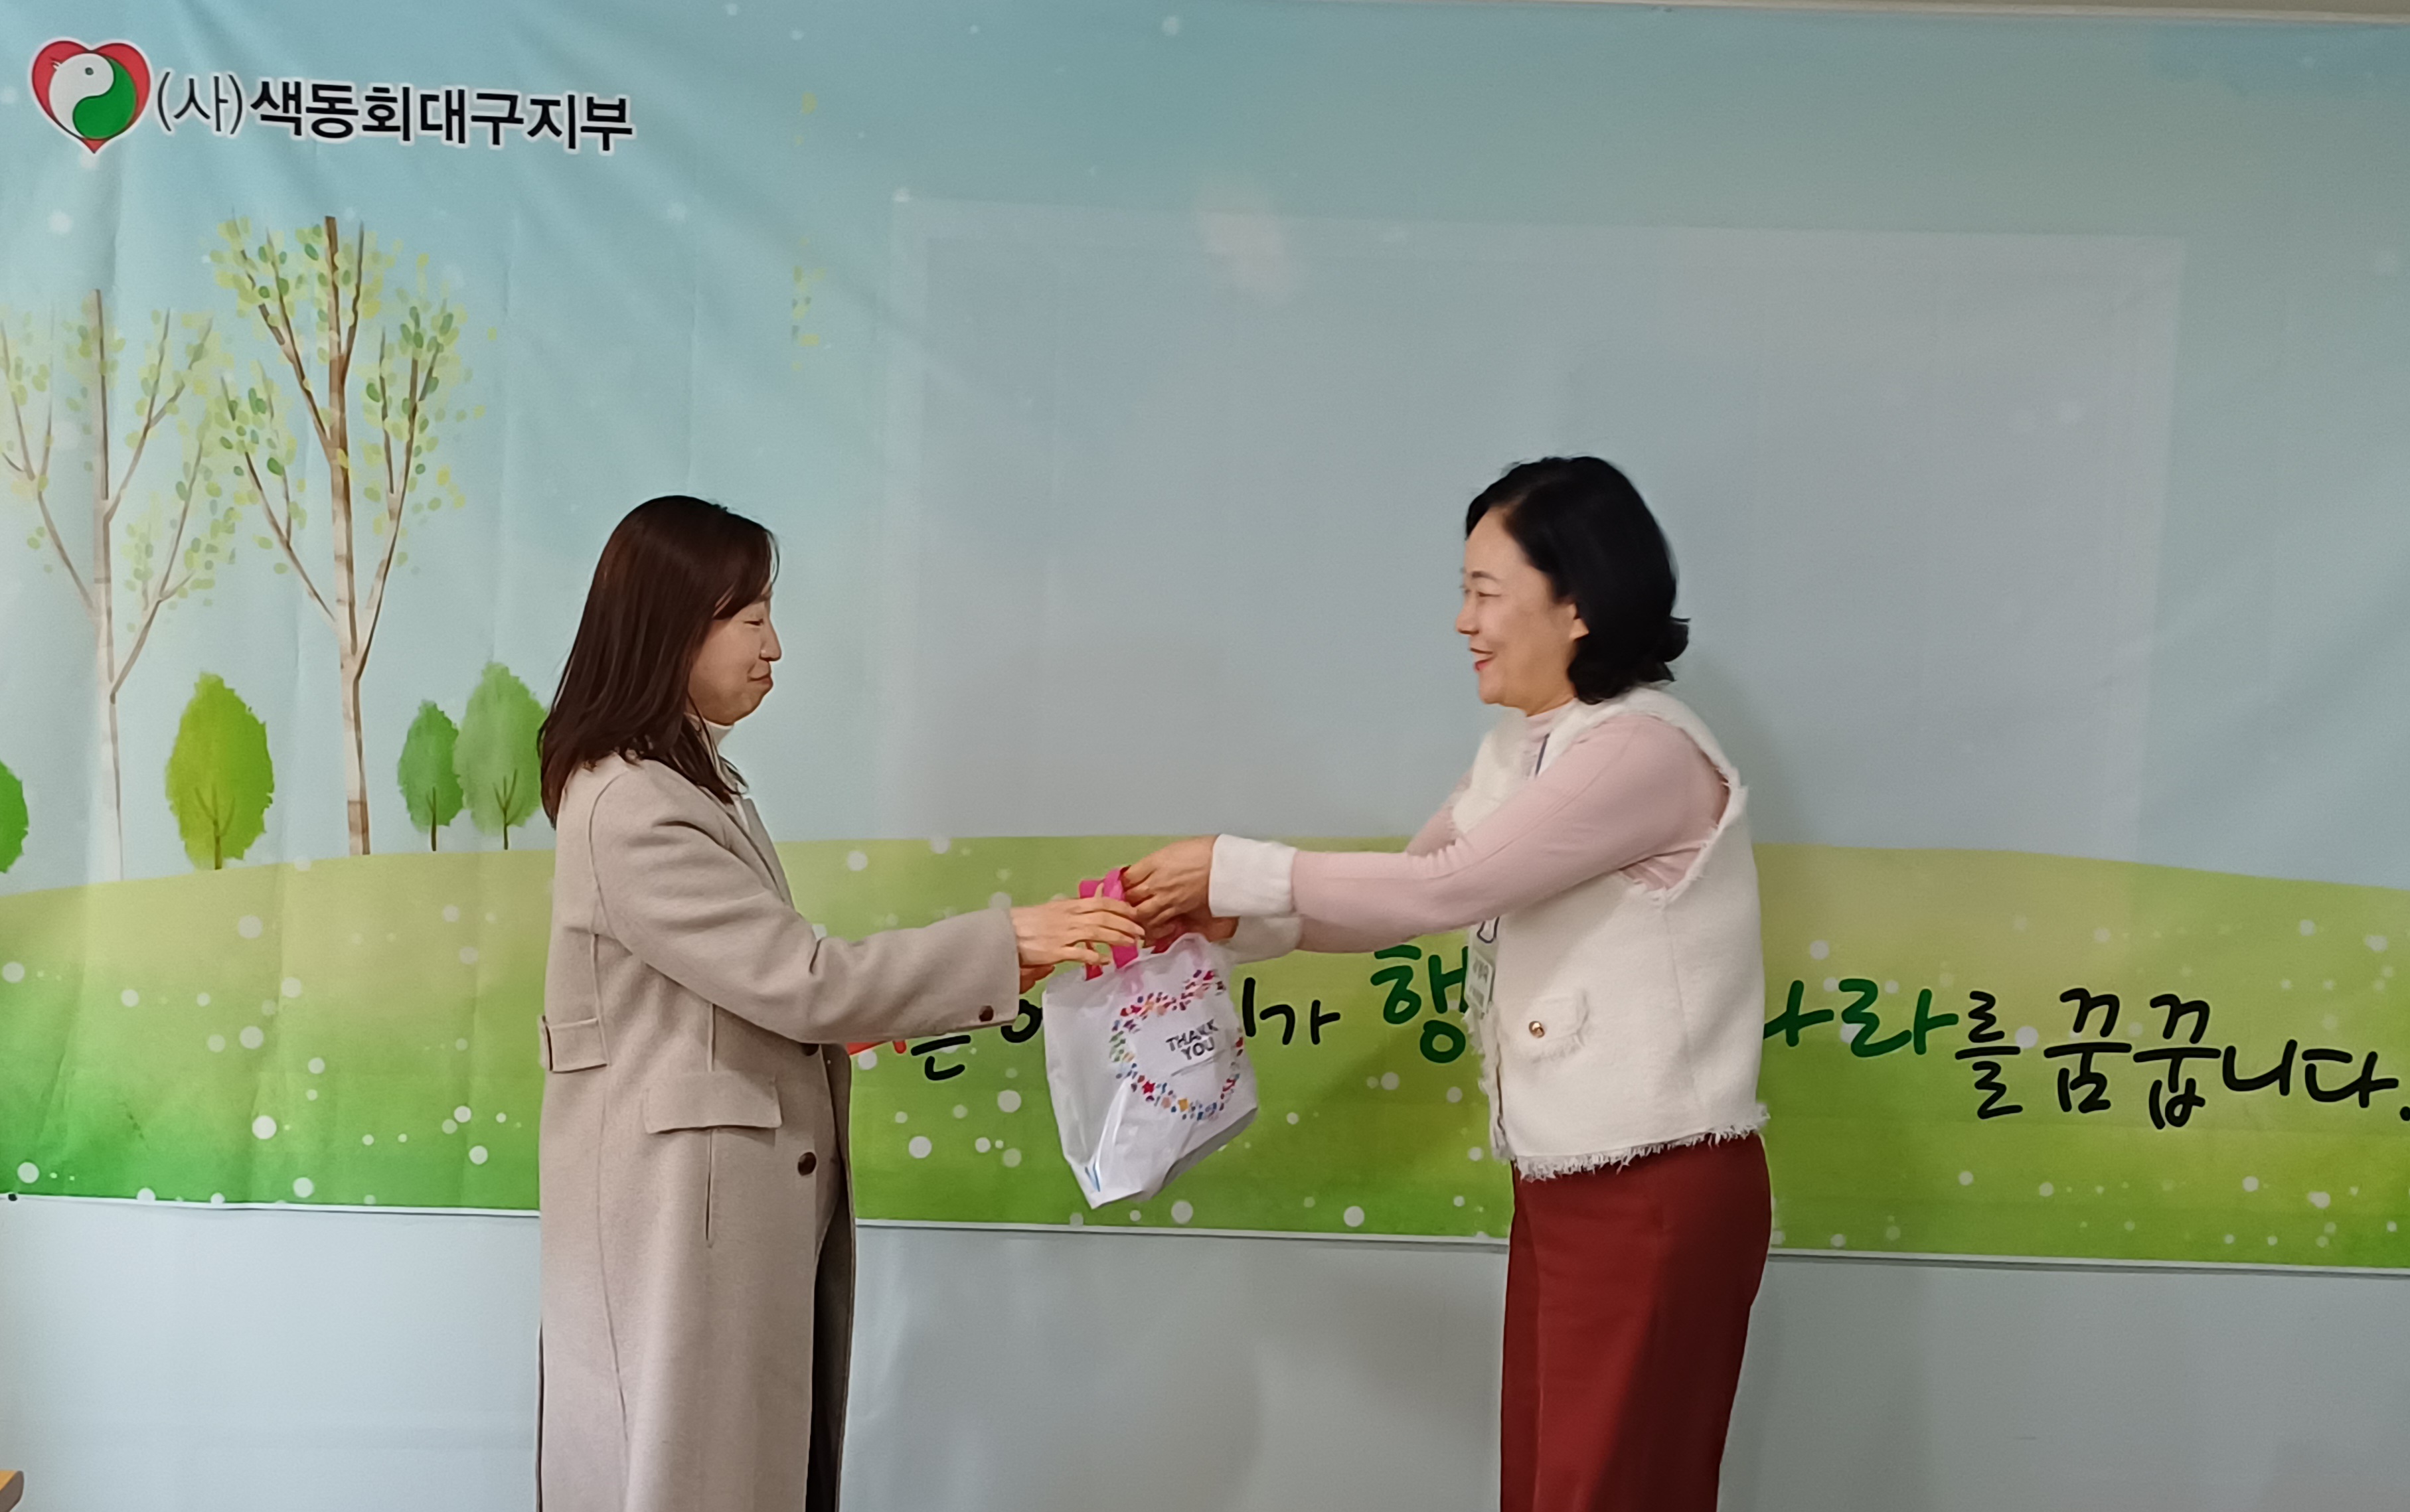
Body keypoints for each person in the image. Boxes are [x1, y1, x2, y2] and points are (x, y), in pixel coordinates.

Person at [1124, 457, 1769, 1512]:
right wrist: (1228, 919)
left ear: (1576, 603)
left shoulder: (1640, 749)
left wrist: (1231, 866)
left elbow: (1446, 886)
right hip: (1570, 1178)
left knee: (1606, 1486)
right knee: (1555, 1479)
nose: (1462, 621)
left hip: (1651, 1185)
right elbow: (1408, 893)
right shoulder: (1524, 748)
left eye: (1484, 591)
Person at [533, 494, 1140, 1512]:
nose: (773, 646)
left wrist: (1002, 967)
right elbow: (805, 982)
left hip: (713, 1214)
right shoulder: (635, 803)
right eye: (750, 617)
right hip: (682, 1222)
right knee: (693, 1475)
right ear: (671, 626)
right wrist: (1009, 941)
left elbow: (773, 992)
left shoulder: (691, 783)